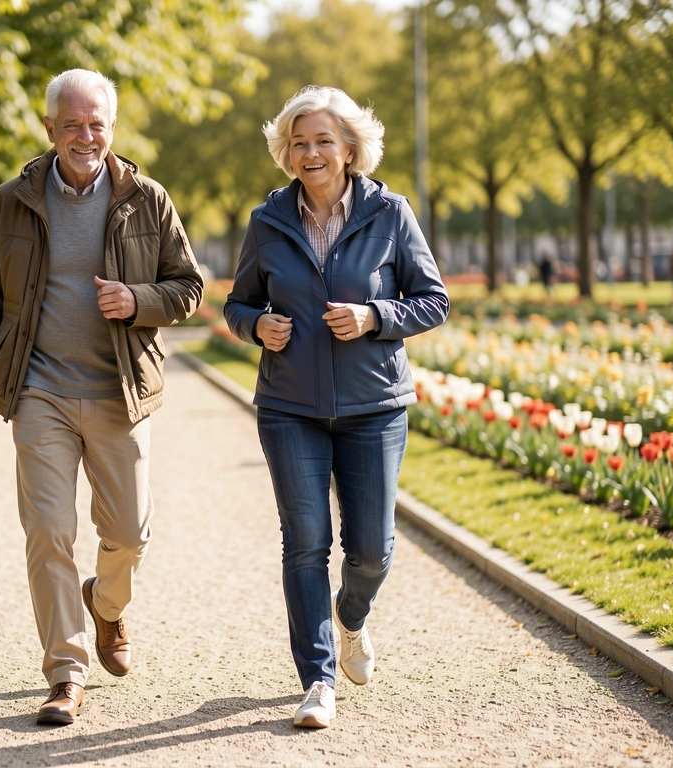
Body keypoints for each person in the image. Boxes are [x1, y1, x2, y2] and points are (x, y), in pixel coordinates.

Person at [0, 69, 203, 725]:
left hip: (120, 391)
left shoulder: (147, 199)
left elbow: (188, 287)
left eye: (96, 124)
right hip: (39, 391)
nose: (84, 136)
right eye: (71, 124)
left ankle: (108, 604)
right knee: (48, 531)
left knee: (129, 533)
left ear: (111, 128)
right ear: (49, 130)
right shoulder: (12, 202)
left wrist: (137, 301)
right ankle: (65, 673)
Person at [224, 86, 449, 729]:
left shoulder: (390, 212)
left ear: (351, 149)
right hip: (289, 405)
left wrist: (375, 315)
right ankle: (318, 678)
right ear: (286, 152)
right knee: (305, 544)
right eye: (299, 142)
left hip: (374, 404)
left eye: (324, 140)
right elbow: (238, 303)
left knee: (372, 550)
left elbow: (433, 300)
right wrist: (255, 325)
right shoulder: (268, 220)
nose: (311, 152)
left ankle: (351, 617)